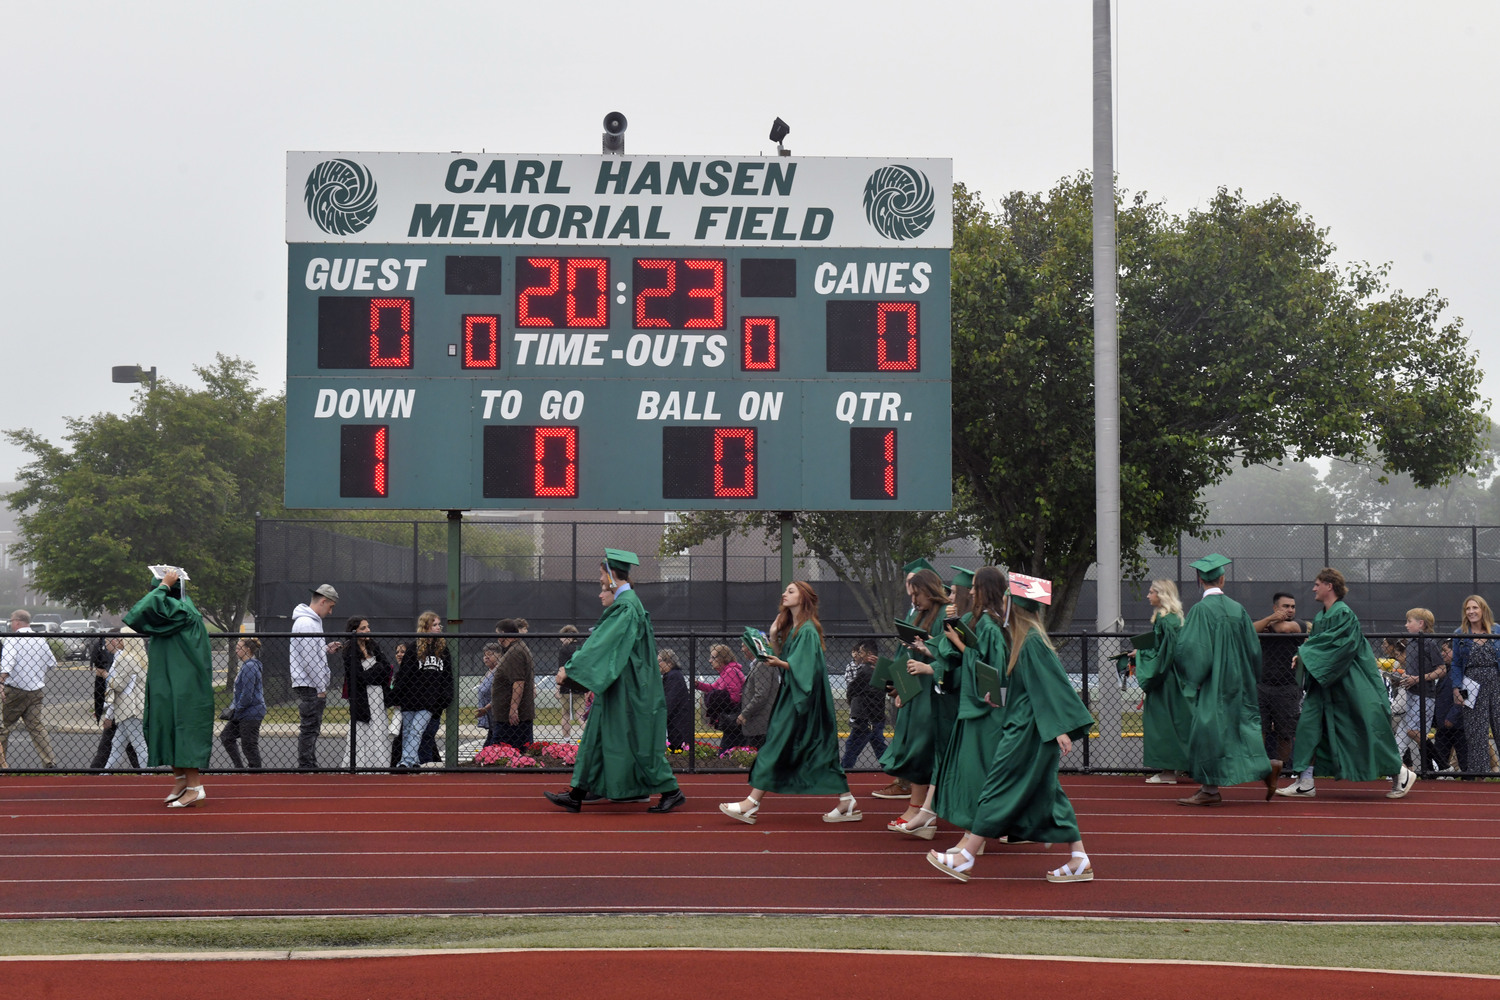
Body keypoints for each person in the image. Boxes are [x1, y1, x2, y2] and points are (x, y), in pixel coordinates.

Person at [927, 573, 1096, 883]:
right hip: (1023, 726)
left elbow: (1052, 686)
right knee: (1049, 795)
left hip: (1027, 733)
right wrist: (999, 697)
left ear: (1014, 605)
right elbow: (1026, 688)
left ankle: (966, 856)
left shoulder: (1031, 643)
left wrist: (1059, 727)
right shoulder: (1025, 640)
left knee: (996, 788)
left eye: (1007, 598)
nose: (1002, 602)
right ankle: (1080, 858)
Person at [545, 549, 685, 813]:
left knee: (639, 742)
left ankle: (672, 790)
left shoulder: (627, 606)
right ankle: (576, 794)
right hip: (618, 685)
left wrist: (571, 668)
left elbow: (603, 643)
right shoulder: (628, 604)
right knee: (595, 737)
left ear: (611, 575)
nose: (600, 582)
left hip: (630, 688)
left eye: (601, 575)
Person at [718, 581, 861, 825]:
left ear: (803, 597)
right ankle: (846, 800)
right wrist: (774, 636)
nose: (784, 594)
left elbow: (804, 668)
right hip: (796, 697)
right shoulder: (795, 628)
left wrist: (780, 663)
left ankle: (750, 804)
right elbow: (786, 659)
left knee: (775, 744)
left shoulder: (808, 629)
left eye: (791, 591)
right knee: (818, 750)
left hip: (803, 701)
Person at [1276, 567, 1416, 799]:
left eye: (1317, 583)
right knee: (1308, 727)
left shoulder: (1343, 613)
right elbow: (1320, 645)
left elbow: (1340, 647)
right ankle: (1306, 781)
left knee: (1362, 731)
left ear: (1329, 586)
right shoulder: (1322, 616)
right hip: (1324, 685)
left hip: (1349, 684)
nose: (1313, 588)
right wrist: (1306, 654)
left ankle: (1400, 772)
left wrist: (1306, 653)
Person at [1169, 554, 1281, 806]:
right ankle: (1267, 767)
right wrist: (1250, 675)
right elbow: (1254, 648)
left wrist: (1192, 678)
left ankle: (1210, 791)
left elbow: (1194, 650)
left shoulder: (1200, 610)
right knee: (1240, 730)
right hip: (1240, 682)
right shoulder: (1237, 609)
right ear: (1223, 579)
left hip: (1214, 682)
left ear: (1199, 579)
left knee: (1206, 733)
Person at [123, 569, 214, 807]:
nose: (153, 594)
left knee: (183, 729)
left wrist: (163, 584)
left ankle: (195, 787)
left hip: (184, 683)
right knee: (165, 724)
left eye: (156, 591)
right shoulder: (172, 611)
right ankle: (181, 780)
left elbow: (138, 614)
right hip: (170, 679)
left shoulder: (180, 611)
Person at [929, 566, 1008, 835]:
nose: (971, 591)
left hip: (985, 710)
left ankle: (977, 833)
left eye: (975, 586)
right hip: (978, 708)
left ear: (986, 589)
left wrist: (958, 643)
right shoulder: (987, 621)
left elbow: (989, 668)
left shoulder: (990, 624)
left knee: (977, 770)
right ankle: (978, 831)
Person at [880, 567, 946, 832]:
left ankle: (918, 810)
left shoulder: (943, 615)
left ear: (930, 590)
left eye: (917, 593)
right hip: (915, 690)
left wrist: (927, 648)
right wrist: (898, 687)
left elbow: (948, 654)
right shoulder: (920, 615)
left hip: (933, 693)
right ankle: (919, 810)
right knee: (916, 749)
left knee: (922, 749)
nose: (914, 599)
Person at [872, 557, 935, 801]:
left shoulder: (933, 614)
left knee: (917, 740)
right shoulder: (913, 612)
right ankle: (908, 784)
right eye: (908, 581)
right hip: (909, 676)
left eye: (915, 582)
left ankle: (912, 788)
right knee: (904, 732)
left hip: (923, 683)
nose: (910, 587)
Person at [1134, 579, 1189, 784]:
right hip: (1176, 678)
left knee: (1162, 723)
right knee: (1177, 722)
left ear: (1162, 594)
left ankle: (1167, 773)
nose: (1148, 596)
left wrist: (1141, 654)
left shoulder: (1165, 620)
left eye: (1151, 592)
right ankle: (1175, 768)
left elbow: (1164, 654)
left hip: (1166, 680)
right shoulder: (1175, 618)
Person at [390, 611, 453, 770]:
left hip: (429, 702)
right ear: (425, 627)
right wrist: (396, 695)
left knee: (417, 730)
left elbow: (447, 677)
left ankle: (405, 762)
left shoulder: (443, 650)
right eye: (435, 625)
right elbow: (404, 675)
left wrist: (444, 699)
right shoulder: (413, 648)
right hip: (410, 699)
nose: (439, 627)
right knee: (408, 732)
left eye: (439, 624)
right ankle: (414, 762)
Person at [289, 584, 341, 769]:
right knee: (310, 727)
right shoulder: (307, 623)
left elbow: (310, 654)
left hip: (309, 682)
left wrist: (326, 648)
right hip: (310, 684)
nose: (331, 611)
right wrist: (320, 688)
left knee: (311, 727)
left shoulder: (310, 622)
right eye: (331, 606)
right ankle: (306, 766)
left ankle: (309, 763)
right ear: (323, 601)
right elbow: (309, 660)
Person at [1387, 609, 1445, 770]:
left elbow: (1441, 669)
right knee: (1401, 734)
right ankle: (1396, 769)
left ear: (1421, 624)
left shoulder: (1429, 643)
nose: (1406, 625)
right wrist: (1404, 678)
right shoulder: (1411, 643)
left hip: (1425, 695)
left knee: (1414, 732)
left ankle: (1442, 765)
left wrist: (1418, 678)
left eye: (1409, 621)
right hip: (1411, 694)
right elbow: (1412, 671)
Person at [0, 609, 58, 769]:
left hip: (15, 690)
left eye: (12, 621)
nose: (11, 624)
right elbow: (52, 662)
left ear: (17, 622)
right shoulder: (39, 638)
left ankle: (2, 764)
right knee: (36, 726)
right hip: (36, 690)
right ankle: (49, 761)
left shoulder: (14, 639)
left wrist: (1, 681)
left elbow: (8, 663)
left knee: (3, 727)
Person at [1254, 592, 1307, 765]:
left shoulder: (1299, 624)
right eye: (1285, 606)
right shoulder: (1267, 622)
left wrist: (1270, 623)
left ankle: (1283, 770)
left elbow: (1284, 629)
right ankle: (1259, 766)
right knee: (1260, 729)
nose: (1290, 610)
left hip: (1288, 687)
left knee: (1285, 733)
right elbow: (1249, 630)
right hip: (1263, 685)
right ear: (1276, 608)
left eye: (1293, 606)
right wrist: (1270, 619)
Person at [1452, 594, 1500, 775]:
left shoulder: (1496, 630)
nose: (1471, 612)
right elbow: (1456, 663)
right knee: (1476, 732)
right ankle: (1480, 774)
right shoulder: (1460, 634)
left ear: (1483, 610)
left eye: (1475, 608)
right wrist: (1456, 688)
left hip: (1496, 682)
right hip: (1471, 683)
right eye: (1468, 609)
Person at [341, 617, 393, 769]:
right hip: (361, 698)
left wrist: (373, 672)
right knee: (362, 731)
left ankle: (379, 766)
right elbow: (358, 677)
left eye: (368, 627)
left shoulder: (373, 646)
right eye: (363, 628)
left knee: (379, 729)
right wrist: (376, 671)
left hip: (378, 695)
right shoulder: (349, 650)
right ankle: (359, 766)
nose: (368, 630)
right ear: (354, 631)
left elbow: (386, 668)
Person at [89, 629, 138, 770]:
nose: (105, 646)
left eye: (107, 642)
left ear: (115, 641)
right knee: (125, 746)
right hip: (125, 709)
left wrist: (104, 673)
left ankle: (95, 774)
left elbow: (118, 688)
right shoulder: (123, 657)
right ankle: (146, 774)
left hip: (123, 710)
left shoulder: (123, 659)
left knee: (110, 747)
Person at [102, 628, 149, 769]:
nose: (119, 641)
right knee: (117, 744)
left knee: (139, 744)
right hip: (134, 707)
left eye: (122, 638)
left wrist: (107, 678)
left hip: (130, 709)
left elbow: (118, 685)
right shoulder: (140, 659)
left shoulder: (126, 659)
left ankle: (148, 776)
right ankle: (105, 776)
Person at [840, 639, 888, 768]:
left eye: (861, 652)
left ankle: (845, 769)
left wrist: (851, 700)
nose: (859, 655)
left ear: (869, 654)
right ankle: (889, 767)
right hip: (876, 715)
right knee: (879, 744)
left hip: (865, 716)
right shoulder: (881, 671)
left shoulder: (866, 671)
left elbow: (852, 689)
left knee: (853, 744)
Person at [220, 636, 266, 769]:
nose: (236, 651)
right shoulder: (247, 666)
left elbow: (247, 694)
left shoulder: (250, 667)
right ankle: (239, 768)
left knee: (249, 745)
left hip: (250, 712)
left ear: (247, 650)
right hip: (242, 712)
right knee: (226, 737)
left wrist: (236, 710)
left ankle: (255, 772)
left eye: (239, 648)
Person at [491, 618, 537, 750]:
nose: (497, 638)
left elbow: (518, 682)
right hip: (511, 716)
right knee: (519, 752)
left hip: (511, 719)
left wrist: (513, 709)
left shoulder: (515, 652)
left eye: (498, 633)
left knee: (498, 752)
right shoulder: (516, 648)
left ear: (503, 634)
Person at [696, 643, 746, 750]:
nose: (710, 661)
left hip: (733, 718)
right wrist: (698, 685)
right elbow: (713, 688)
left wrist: (718, 700)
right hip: (733, 720)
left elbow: (735, 697)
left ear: (723, 658)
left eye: (713, 657)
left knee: (726, 750)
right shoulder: (726, 673)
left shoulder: (730, 672)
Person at [735, 637, 781, 751]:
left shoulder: (762, 665)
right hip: (761, 722)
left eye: (743, 646)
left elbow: (761, 694)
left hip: (760, 723)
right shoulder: (759, 664)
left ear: (754, 647)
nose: (742, 649)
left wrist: (744, 714)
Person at [659, 648, 693, 752]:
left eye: (659, 661)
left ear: (669, 662)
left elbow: (670, 701)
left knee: (678, 752)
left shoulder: (674, 676)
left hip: (678, 726)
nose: (657, 664)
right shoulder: (670, 675)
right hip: (676, 724)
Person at [556, 625, 585, 739]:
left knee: (566, 714)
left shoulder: (564, 650)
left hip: (565, 684)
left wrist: (558, 688)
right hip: (580, 684)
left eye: (562, 638)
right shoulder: (581, 648)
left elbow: (561, 668)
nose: (562, 641)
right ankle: (588, 736)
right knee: (580, 714)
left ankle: (566, 739)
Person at [477, 641, 501, 742]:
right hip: (490, 718)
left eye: (490, 654)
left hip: (497, 716)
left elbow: (500, 695)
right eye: (484, 655)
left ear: (499, 655)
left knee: (491, 746)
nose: (486, 657)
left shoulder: (499, 671)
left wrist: (486, 709)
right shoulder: (489, 671)